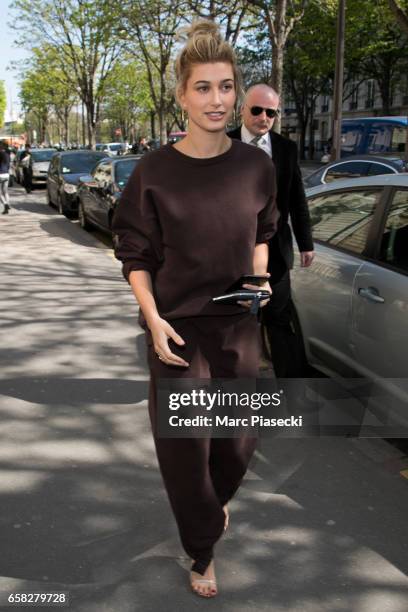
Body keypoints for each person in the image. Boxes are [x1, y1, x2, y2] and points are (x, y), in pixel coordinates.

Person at [112, 21, 278, 598]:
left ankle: (212, 512)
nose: (217, 100)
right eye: (203, 88)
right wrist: (153, 317)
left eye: (226, 87)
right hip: (177, 329)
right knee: (187, 451)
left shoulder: (256, 167)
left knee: (236, 446)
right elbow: (135, 253)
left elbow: (264, 230)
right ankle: (202, 550)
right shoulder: (154, 171)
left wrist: (259, 278)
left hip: (239, 326)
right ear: (182, 95)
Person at [228, 84, 314, 377]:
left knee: (279, 320)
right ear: (242, 109)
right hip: (231, 255)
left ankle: (291, 394)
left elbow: (297, 199)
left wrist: (306, 243)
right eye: (256, 110)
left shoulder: (286, 149)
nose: (264, 117)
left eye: (271, 112)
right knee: (236, 324)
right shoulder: (222, 145)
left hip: (276, 253)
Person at [0, 142, 11, 214]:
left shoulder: (0, 154)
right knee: (5, 192)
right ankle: (7, 206)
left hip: (0, 174)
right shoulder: (7, 155)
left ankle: (5, 204)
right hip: (6, 174)